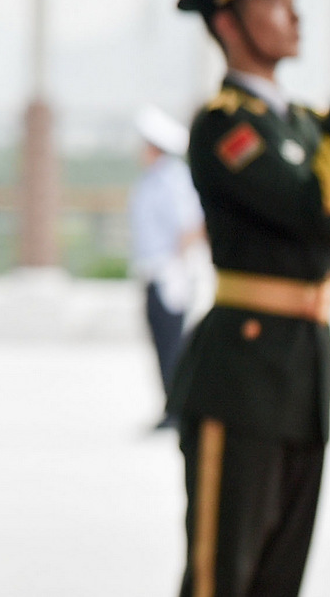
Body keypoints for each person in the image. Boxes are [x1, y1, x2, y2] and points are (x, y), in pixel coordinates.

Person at [167, 0, 330, 597]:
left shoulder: (302, 124)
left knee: (279, 582)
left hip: (304, 374)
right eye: (272, 0)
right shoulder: (224, 125)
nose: (294, 14)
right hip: (241, 376)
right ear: (227, 22)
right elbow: (310, 206)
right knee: (220, 579)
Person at [128, 105, 208, 430]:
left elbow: (190, 226)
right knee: (162, 343)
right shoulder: (152, 180)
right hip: (152, 271)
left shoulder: (173, 180)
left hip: (169, 272)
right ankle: (171, 406)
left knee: (173, 344)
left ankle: (179, 409)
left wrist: (177, 265)